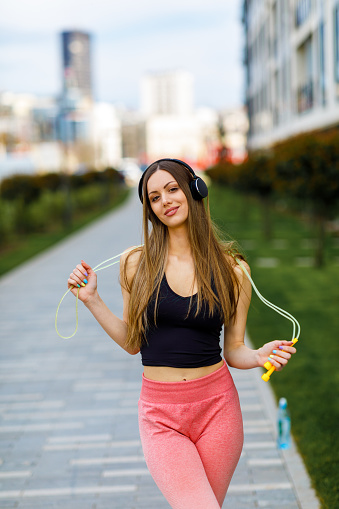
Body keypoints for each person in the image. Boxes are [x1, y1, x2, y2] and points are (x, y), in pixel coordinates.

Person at [67, 158, 296, 509]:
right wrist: (92, 300)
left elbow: (233, 349)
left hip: (218, 410)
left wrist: (259, 355)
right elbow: (132, 342)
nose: (165, 201)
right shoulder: (134, 263)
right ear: (149, 209)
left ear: (194, 190)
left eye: (172, 189)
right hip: (160, 414)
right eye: (155, 197)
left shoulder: (233, 270)